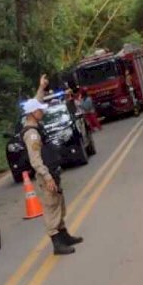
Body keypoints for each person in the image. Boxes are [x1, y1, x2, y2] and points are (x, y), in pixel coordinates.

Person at [23, 75, 83, 255]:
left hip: (51, 171)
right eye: (39, 110)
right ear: (33, 113)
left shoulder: (33, 121)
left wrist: (41, 87)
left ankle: (64, 235)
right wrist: (47, 176)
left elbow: (36, 101)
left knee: (59, 203)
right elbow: (35, 160)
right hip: (45, 175)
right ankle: (57, 243)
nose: (43, 111)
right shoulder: (31, 134)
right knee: (51, 208)